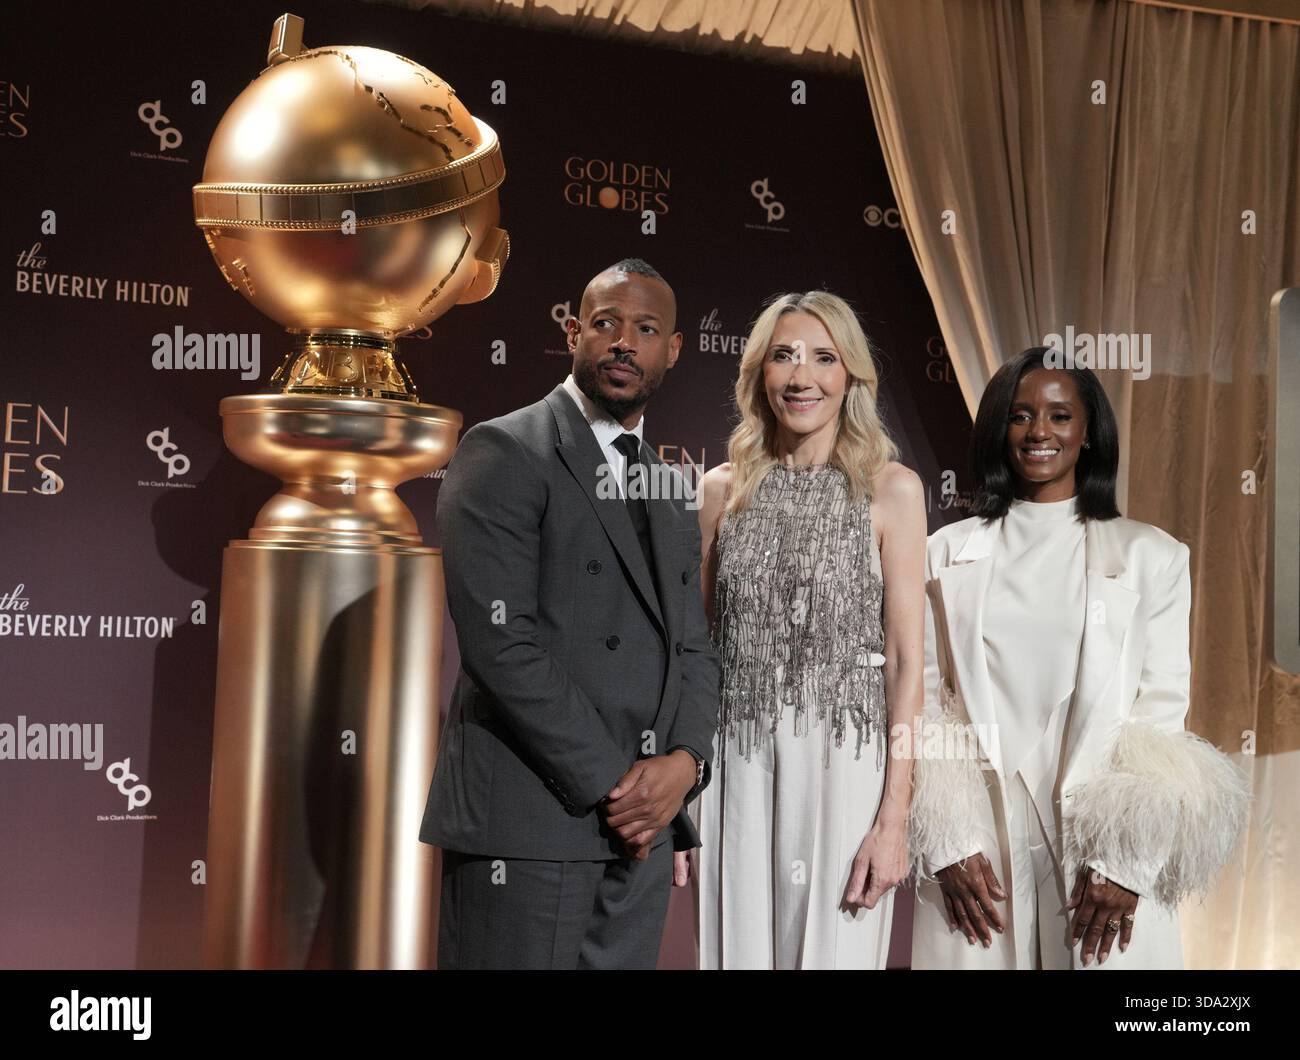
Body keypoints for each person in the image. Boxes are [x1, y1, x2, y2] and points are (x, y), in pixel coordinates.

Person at [420, 258, 720, 969]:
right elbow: (501, 645)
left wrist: (686, 765)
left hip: (639, 837)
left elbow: (695, 649)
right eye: (607, 323)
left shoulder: (670, 485)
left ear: (672, 350)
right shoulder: (505, 449)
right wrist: (623, 788)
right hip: (531, 822)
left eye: (646, 329)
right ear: (573, 333)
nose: (625, 342)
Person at [909, 347, 1250, 969]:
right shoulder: (941, 553)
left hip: (1098, 847)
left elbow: (1161, 716)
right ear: (998, 429)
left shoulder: (1153, 556)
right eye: (1020, 415)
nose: (1039, 431)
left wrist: (1127, 860)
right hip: (980, 846)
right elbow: (925, 704)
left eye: (1060, 416)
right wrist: (947, 843)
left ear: (1089, 432)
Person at [684, 291, 925, 968]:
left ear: (850, 375)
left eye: (824, 357)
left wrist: (894, 817)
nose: (802, 376)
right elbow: (693, 652)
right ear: (760, 373)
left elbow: (908, 665)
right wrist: (684, 787)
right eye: (784, 356)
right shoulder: (719, 492)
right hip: (734, 768)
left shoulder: (893, 491)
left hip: (847, 770)